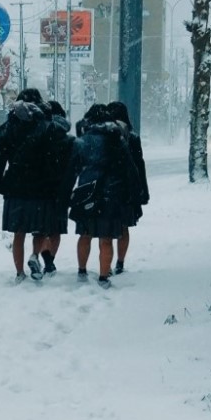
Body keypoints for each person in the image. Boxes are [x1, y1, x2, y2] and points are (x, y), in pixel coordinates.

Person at [0, 87, 51, 279]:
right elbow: (51, 158)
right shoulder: (45, 126)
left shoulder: (7, 128)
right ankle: (35, 255)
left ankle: (19, 272)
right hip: (40, 184)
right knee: (39, 228)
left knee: (18, 232)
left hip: (14, 185)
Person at [69, 102, 132, 285]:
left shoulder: (82, 141)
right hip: (110, 193)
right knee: (106, 238)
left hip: (86, 191)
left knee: (85, 234)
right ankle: (104, 277)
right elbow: (127, 169)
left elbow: (72, 169)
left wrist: (67, 192)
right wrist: (129, 192)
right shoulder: (116, 139)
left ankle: (82, 271)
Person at [29, 99, 78, 278]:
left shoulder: (38, 134)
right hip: (60, 189)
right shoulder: (68, 139)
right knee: (55, 229)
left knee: (39, 229)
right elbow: (74, 167)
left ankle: (36, 254)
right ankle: (49, 262)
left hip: (38, 188)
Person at [107, 98, 150, 274]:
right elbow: (139, 164)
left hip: (108, 187)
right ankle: (120, 262)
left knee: (108, 228)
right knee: (124, 227)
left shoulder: (106, 135)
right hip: (127, 188)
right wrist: (142, 191)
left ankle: (105, 264)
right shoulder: (132, 137)